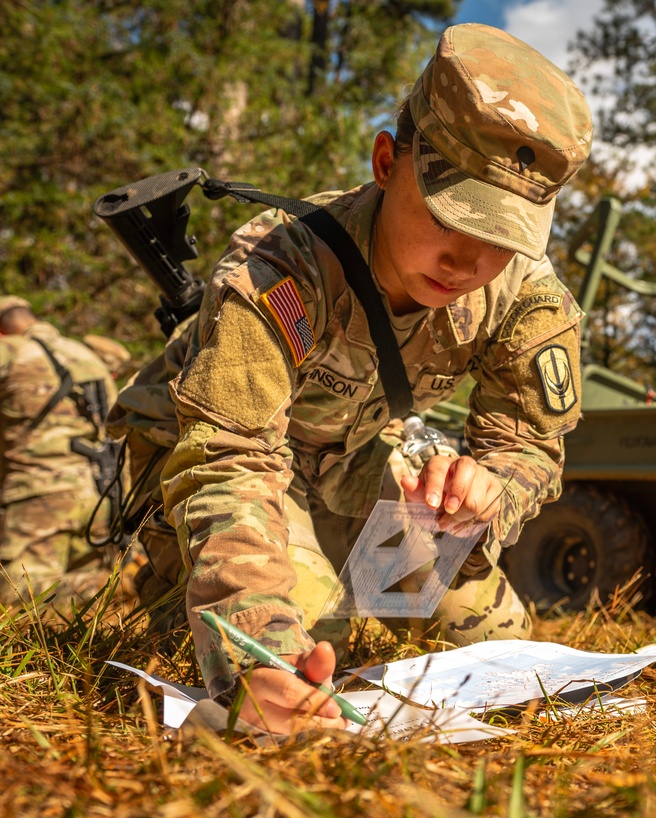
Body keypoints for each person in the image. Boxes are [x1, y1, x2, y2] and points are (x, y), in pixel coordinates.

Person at [107, 22, 592, 734]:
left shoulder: (526, 295)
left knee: (501, 646)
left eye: (501, 238)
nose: (467, 261)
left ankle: (334, 583)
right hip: (222, 458)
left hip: (348, 458)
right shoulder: (283, 269)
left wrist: (492, 489)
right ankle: (175, 589)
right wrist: (258, 654)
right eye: (450, 217)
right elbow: (227, 458)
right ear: (386, 162)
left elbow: (530, 446)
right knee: (303, 644)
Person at [0, 296, 121, 608]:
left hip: (38, 495)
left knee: (15, 596)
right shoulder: (87, 355)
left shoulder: (11, 351)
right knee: (81, 612)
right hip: (99, 494)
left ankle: (125, 585)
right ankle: (111, 586)